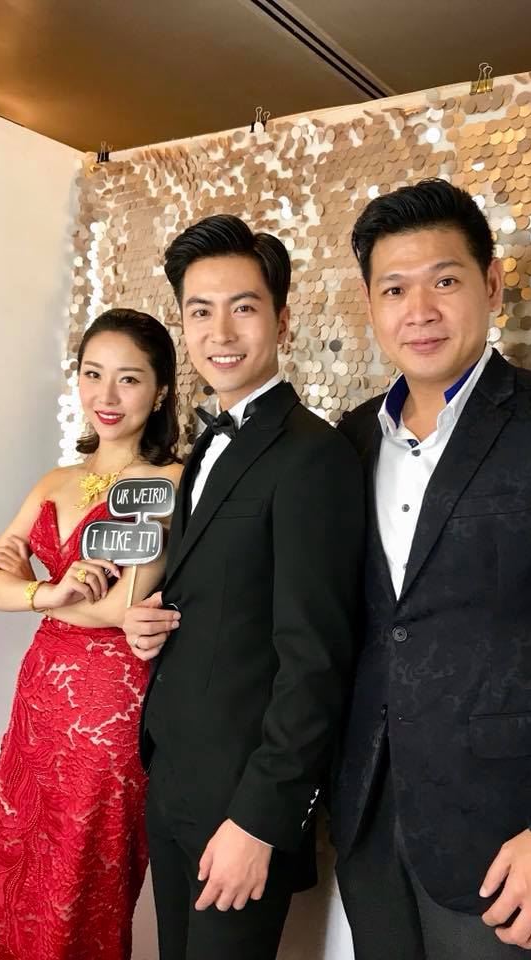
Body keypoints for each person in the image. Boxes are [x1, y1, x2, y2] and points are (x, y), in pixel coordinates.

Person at [332, 178, 531, 959]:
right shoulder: (350, 439)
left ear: (491, 285)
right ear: (371, 305)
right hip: (369, 824)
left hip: (513, 841)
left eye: (445, 280)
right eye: (395, 288)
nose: (419, 309)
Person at [123, 214, 365, 960]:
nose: (220, 332)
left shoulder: (313, 456)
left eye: (244, 307)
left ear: (282, 320)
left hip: (240, 804)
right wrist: (150, 622)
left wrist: (261, 820)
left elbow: (317, 660)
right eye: (200, 311)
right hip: (173, 779)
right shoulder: (207, 447)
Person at [0, 308, 183, 960]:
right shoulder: (55, 481)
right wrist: (49, 594)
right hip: (37, 709)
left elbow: (121, 606)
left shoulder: (169, 481)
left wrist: (33, 593)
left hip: (107, 713)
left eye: (129, 379)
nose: (106, 395)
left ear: (160, 391)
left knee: (69, 905)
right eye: (92, 374)